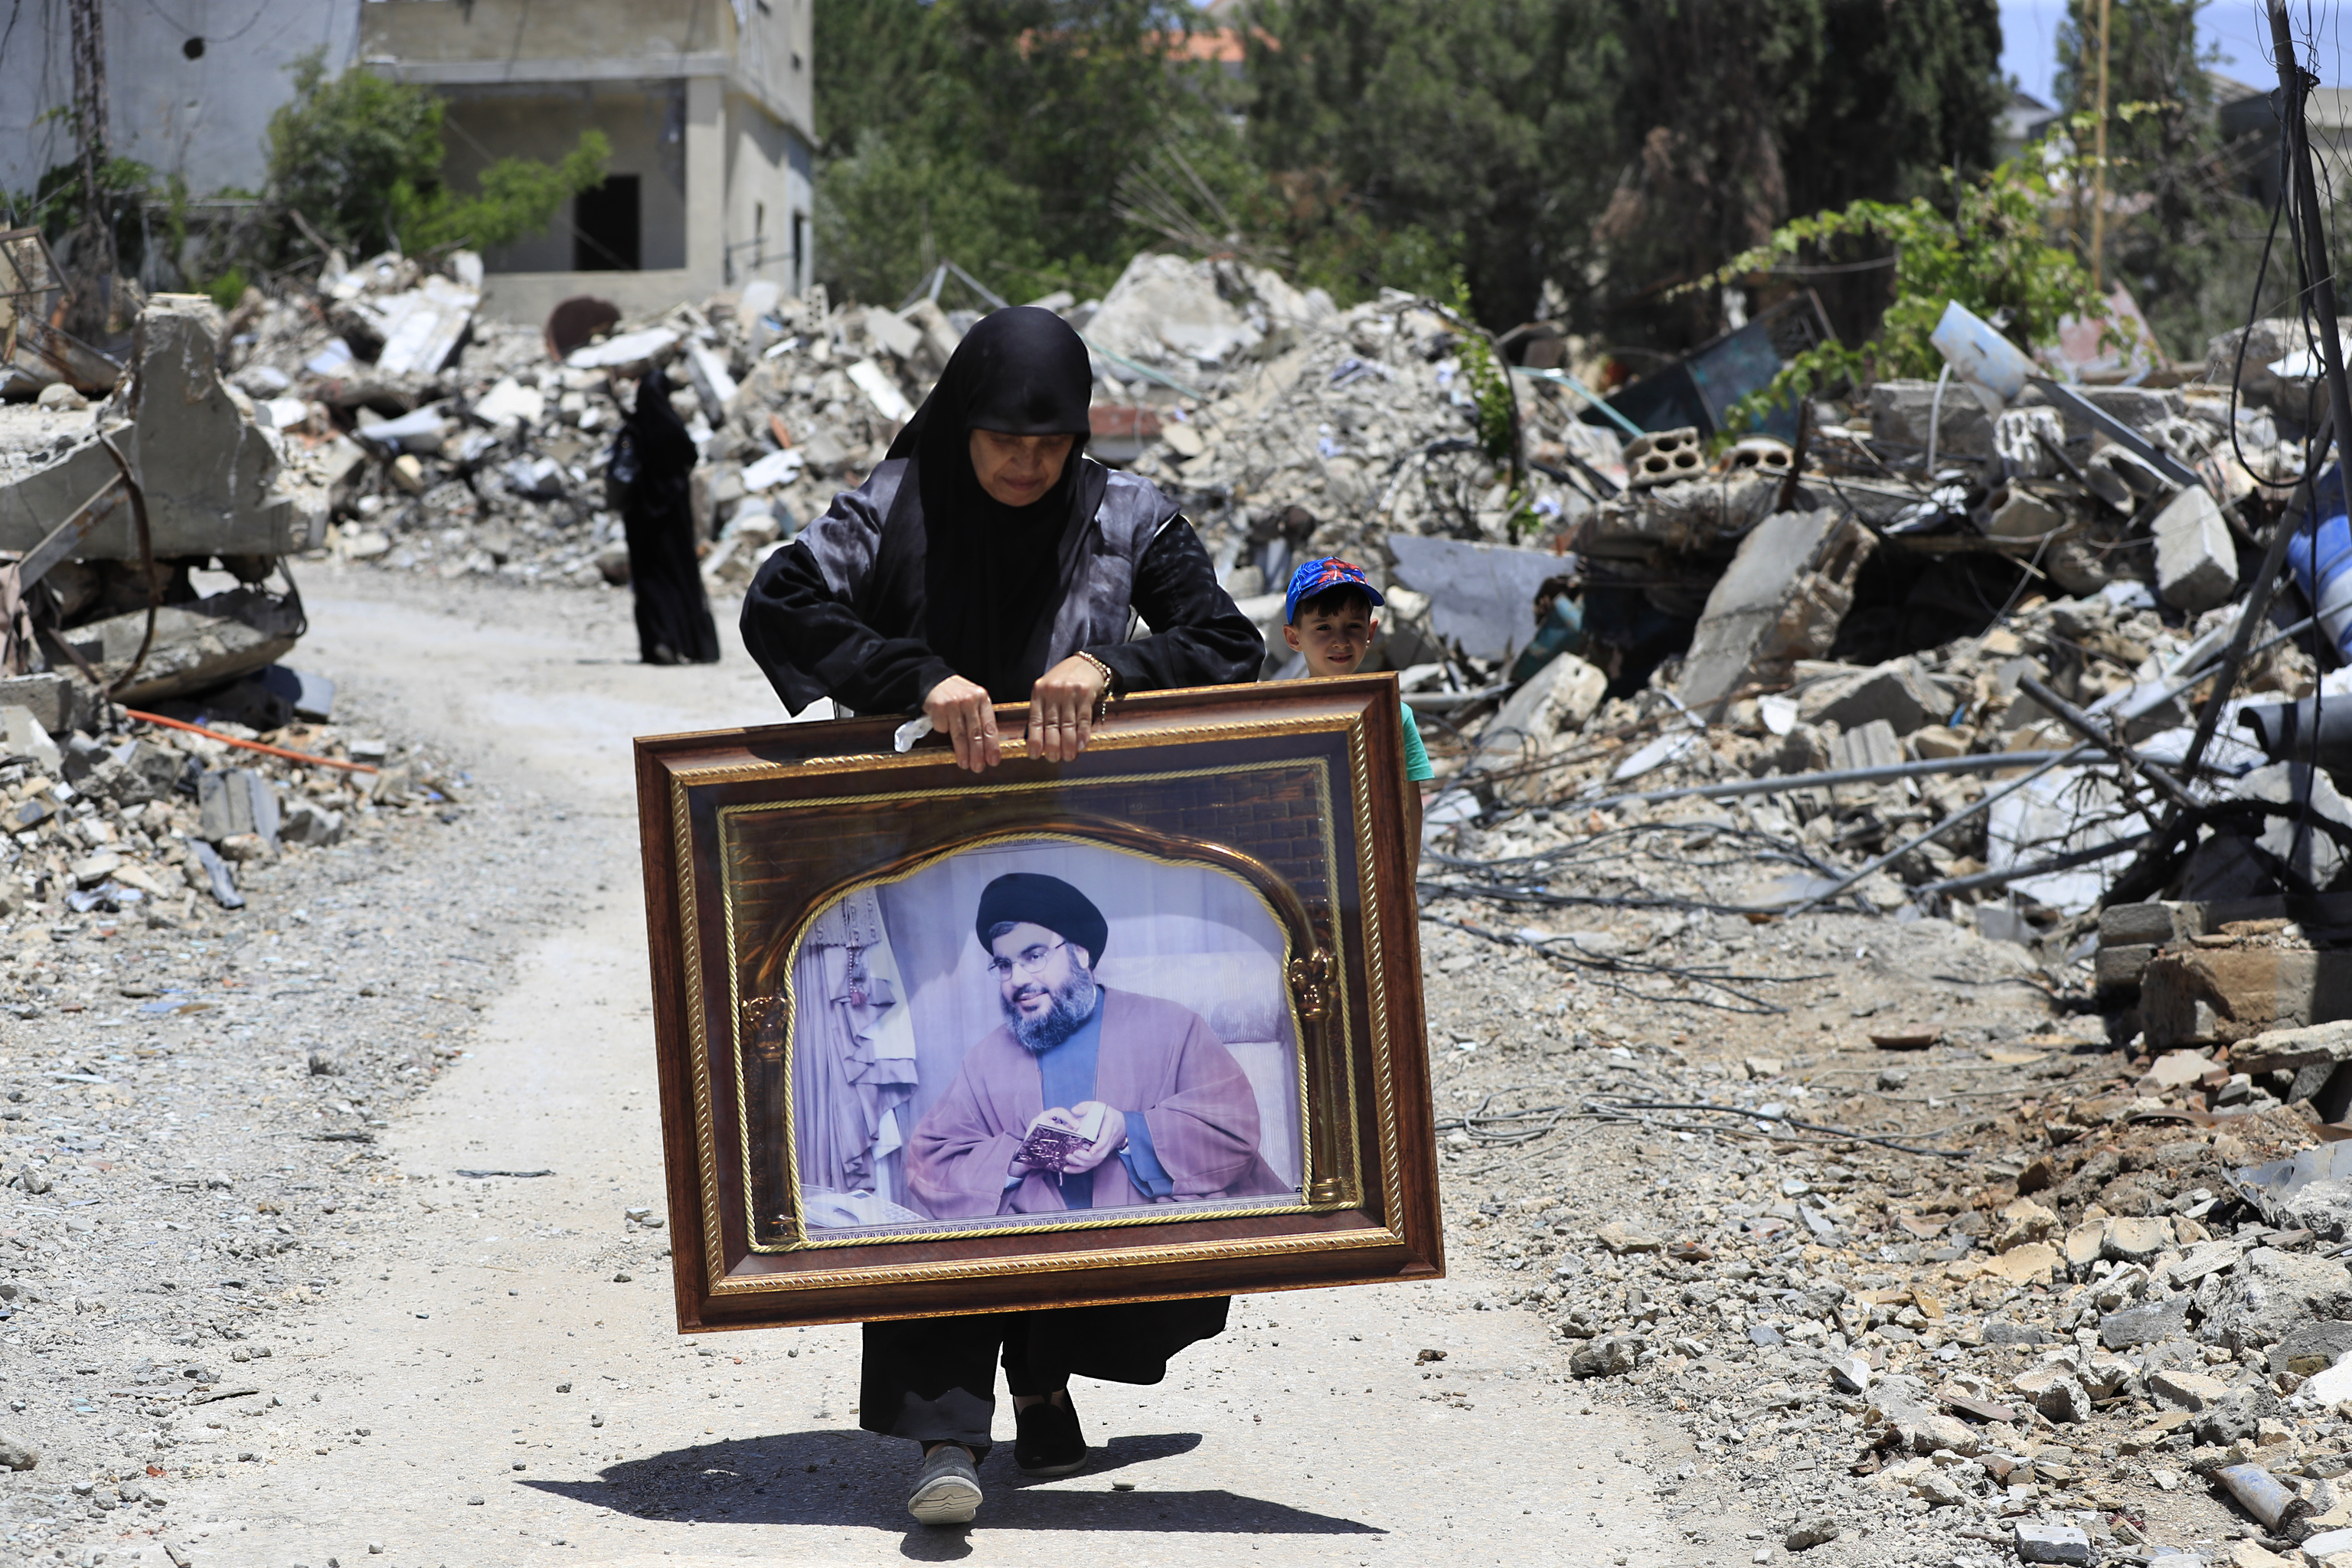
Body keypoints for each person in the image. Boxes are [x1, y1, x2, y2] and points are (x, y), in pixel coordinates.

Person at [737, 305, 1263, 1527]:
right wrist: (914, 676)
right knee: (956, 1134)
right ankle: (945, 1439)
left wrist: (1116, 668)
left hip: (1086, 844)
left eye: (1053, 445)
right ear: (960, 422)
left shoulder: (1128, 515)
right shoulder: (894, 501)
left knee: (1080, 1125)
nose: (1028, 466)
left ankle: (1042, 1377)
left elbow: (1225, 643)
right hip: (927, 853)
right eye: (1002, 441)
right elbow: (783, 605)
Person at [906, 872, 1287, 1218]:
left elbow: (1233, 1131)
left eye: (1034, 956)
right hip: (1043, 1260)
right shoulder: (986, 1061)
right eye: (1004, 965)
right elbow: (930, 1166)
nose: (1017, 979)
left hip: (1156, 1246)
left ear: (1081, 954)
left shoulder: (1170, 1026)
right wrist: (1021, 1155)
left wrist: (1128, 1131)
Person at [1279, 557, 1435, 843]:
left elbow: (1409, 807)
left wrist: (1406, 883)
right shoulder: (1282, 718)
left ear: (1370, 633)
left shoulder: (1393, 716)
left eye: (1352, 626)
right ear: (1293, 638)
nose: (1340, 640)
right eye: (1323, 627)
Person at [608, 366, 721, 666]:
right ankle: (693, 644)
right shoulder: (671, 428)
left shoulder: (634, 429)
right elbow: (690, 456)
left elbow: (623, 470)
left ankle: (660, 641)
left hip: (641, 522)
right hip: (674, 521)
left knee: (650, 580)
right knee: (681, 577)